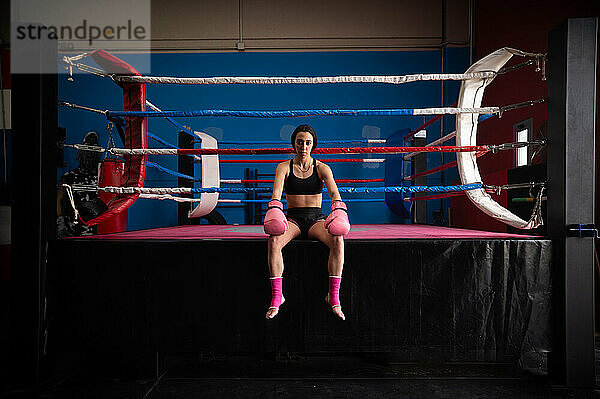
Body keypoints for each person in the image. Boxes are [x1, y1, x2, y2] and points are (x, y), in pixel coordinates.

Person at [263, 124, 350, 321]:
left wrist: (338, 209)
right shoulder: (284, 167)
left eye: (308, 143)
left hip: (315, 220)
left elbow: (335, 195)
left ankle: (333, 297)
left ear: (313, 145)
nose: (304, 146)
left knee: (338, 239)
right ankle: (278, 296)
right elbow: (276, 194)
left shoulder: (322, 168)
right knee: (274, 241)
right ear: (294, 144)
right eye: (300, 142)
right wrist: (275, 207)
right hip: (293, 220)